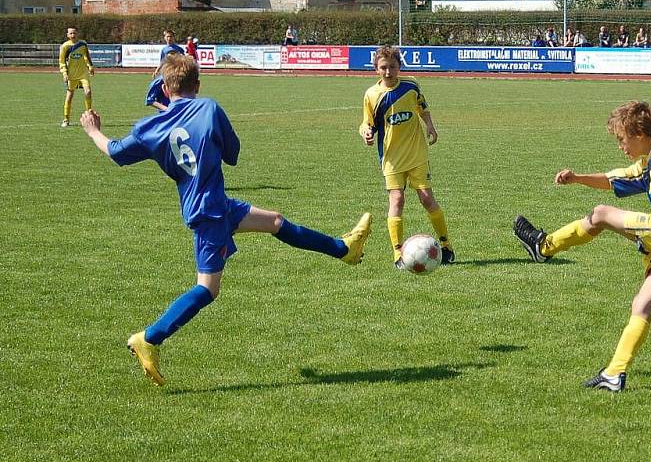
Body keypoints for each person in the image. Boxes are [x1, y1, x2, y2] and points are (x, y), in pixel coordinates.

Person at [79, 54, 373, 386]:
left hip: (215, 205)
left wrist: (93, 131)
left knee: (275, 221)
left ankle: (343, 249)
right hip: (210, 212)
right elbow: (232, 155)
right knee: (208, 289)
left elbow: (116, 152)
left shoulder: (151, 128)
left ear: (164, 87)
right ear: (198, 86)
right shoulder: (209, 109)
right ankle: (150, 337)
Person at [513, 101, 651, 392]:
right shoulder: (649, 160)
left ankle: (543, 247)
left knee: (602, 213)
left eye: (622, 138)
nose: (621, 145)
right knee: (642, 305)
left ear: (640, 133)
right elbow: (615, 178)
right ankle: (614, 374)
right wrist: (578, 178)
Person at [359, 45, 454, 268]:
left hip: (416, 153)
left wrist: (430, 126)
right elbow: (367, 122)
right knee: (397, 199)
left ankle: (446, 245)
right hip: (391, 157)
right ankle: (398, 253)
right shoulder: (372, 95)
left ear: (399, 66)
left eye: (392, 67)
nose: (388, 72)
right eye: (383, 67)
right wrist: (365, 131)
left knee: (426, 198)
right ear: (376, 69)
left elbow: (422, 107)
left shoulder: (411, 86)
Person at [58, 26, 95, 128]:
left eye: (74, 33)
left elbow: (86, 56)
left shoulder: (83, 44)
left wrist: (90, 66)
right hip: (72, 75)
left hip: (83, 73)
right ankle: (66, 119)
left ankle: (89, 115)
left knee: (88, 92)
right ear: (67, 35)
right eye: (70, 33)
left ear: (77, 33)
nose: (73, 35)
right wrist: (65, 74)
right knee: (69, 97)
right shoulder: (65, 47)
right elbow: (62, 62)